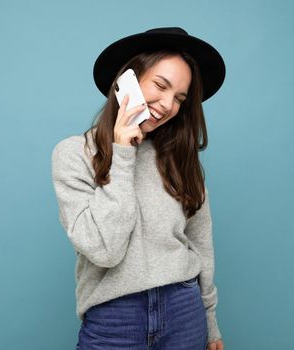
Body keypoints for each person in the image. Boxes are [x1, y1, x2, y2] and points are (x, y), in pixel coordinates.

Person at [51, 27, 226, 350]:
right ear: (126, 81)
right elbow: (104, 250)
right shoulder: (73, 154)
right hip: (115, 317)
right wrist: (122, 154)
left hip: (184, 311)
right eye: (161, 85)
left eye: (179, 98)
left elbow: (202, 245)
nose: (168, 105)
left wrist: (211, 324)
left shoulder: (180, 161)